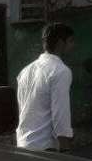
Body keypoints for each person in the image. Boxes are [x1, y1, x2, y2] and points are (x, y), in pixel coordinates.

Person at [16, 22, 76, 151]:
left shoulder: (25, 71)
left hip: (23, 144)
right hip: (45, 147)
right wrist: (65, 146)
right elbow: (60, 112)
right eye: (71, 41)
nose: (73, 46)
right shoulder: (60, 71)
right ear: (60, 43)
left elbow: (23, 109)